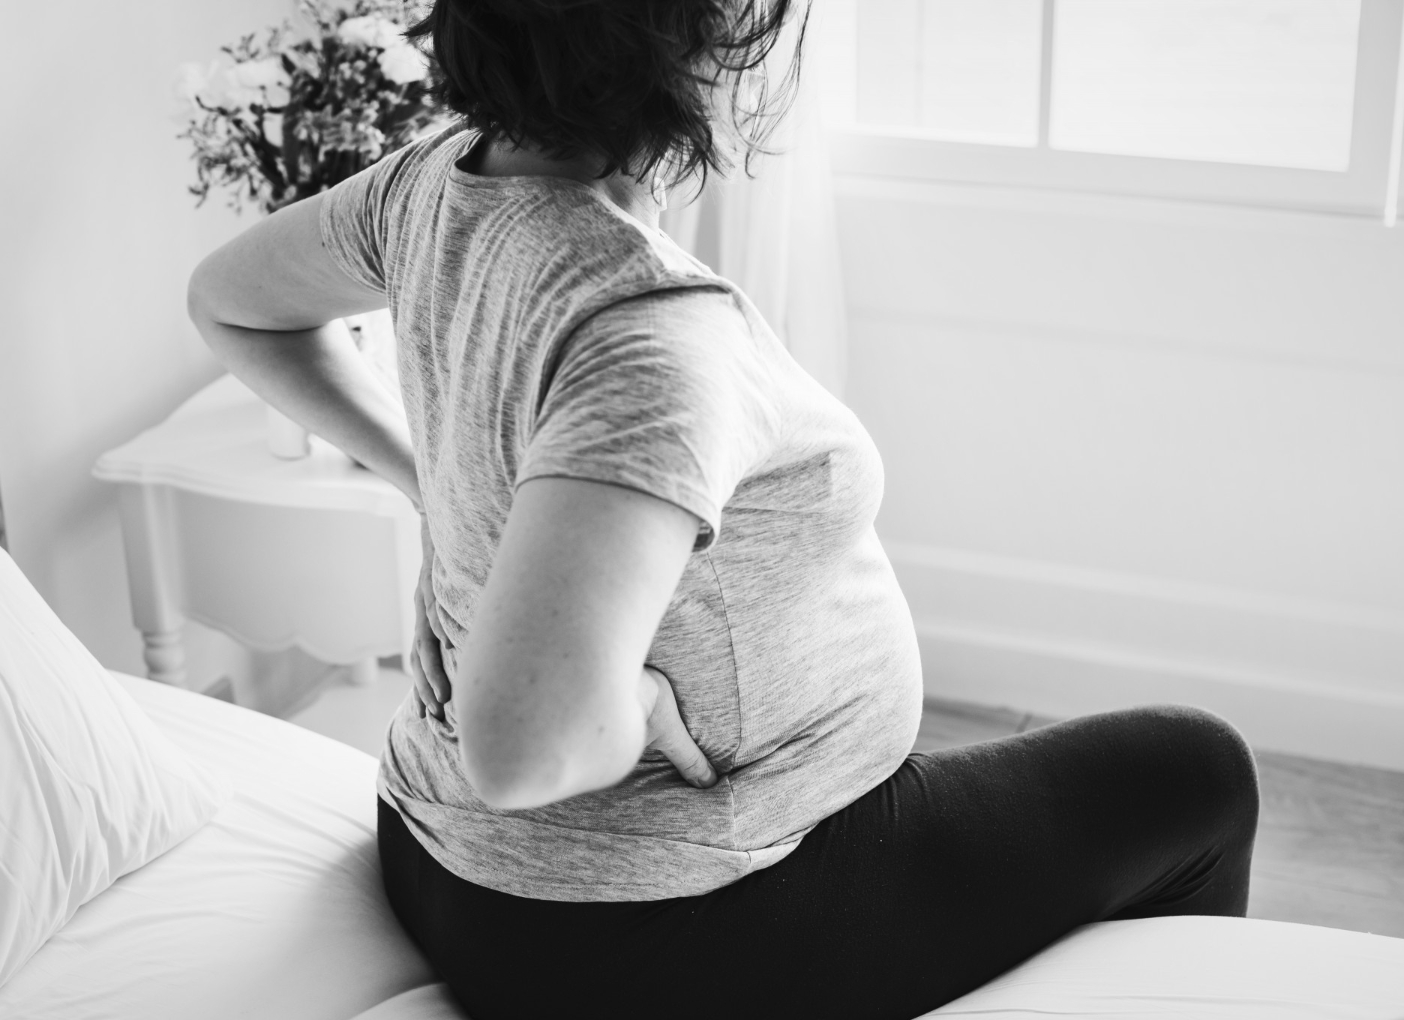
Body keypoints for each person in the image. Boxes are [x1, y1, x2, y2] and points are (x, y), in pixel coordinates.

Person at [187, 1, 1260, 1016]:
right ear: (695, 49)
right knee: (1196, 771)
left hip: (440, 853)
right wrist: (634, 706)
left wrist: (431, 484)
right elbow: (521, 749)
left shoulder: (431, 183)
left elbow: (230, 302)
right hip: (657, 928)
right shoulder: (648, 336)